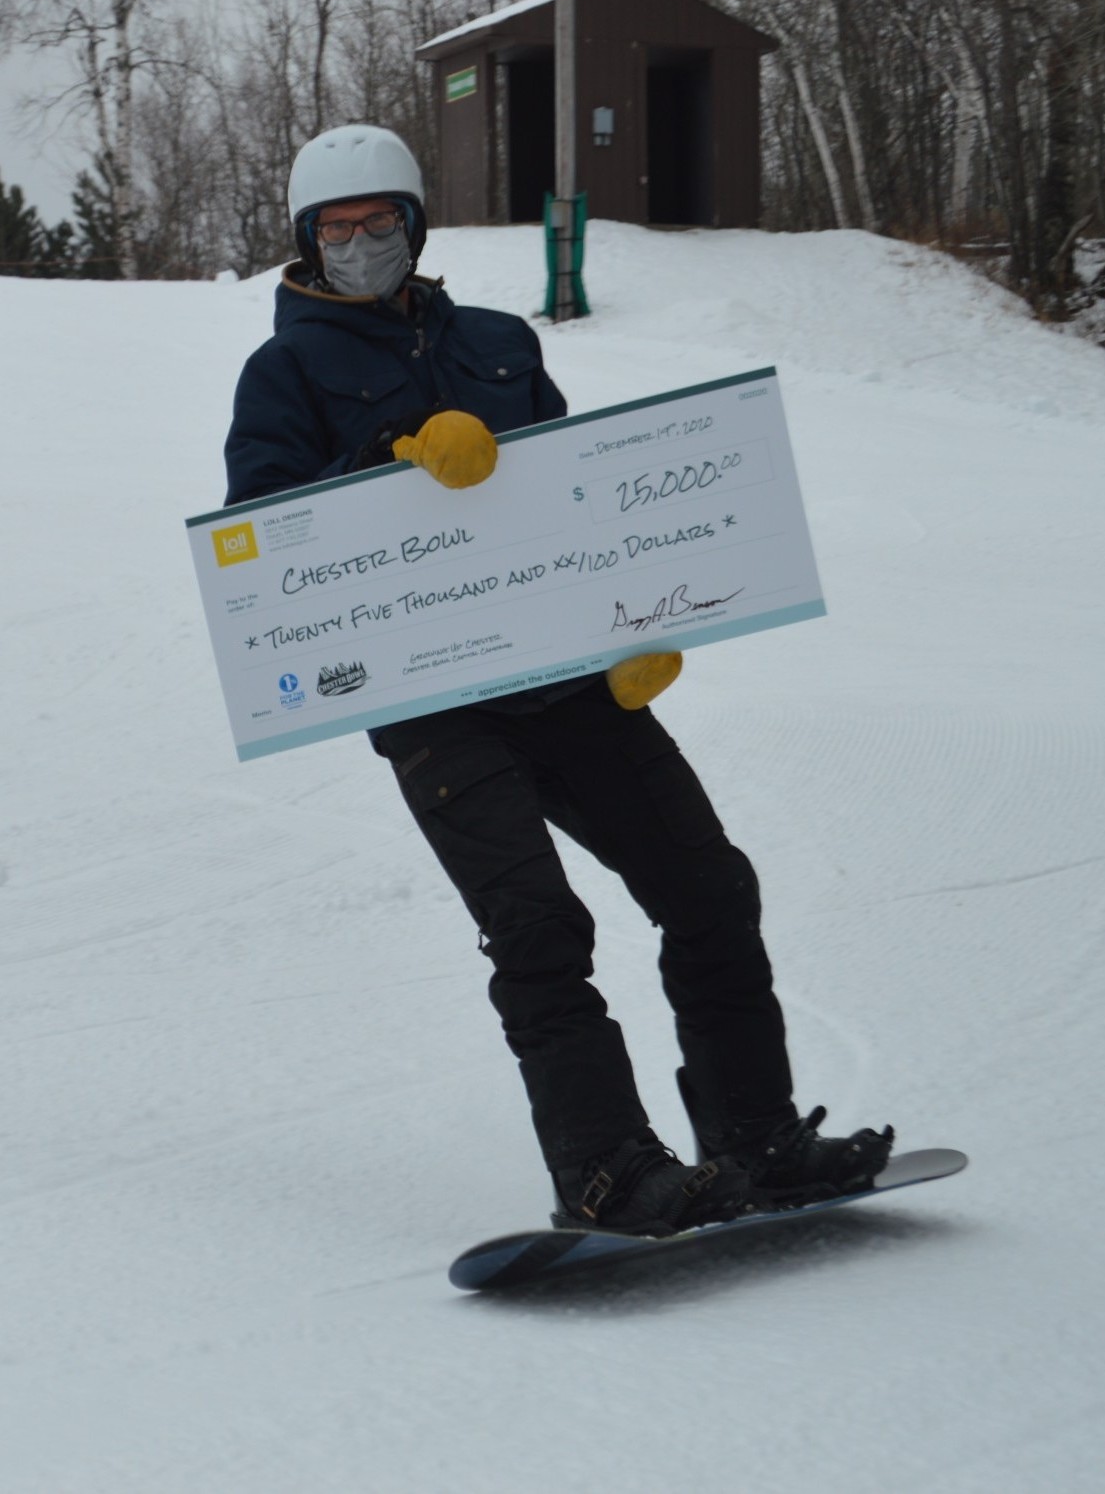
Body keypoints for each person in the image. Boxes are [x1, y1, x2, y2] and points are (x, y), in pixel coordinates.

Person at [225, 123, 893, 1235]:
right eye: (334, 230)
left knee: (709, 888)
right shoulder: (283, 372)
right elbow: (267, 551)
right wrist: (385, 468)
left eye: (377, 223)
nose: (358, 245)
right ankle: (605, 1169)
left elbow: (584, 498)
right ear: (306, 241)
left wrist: (629, 626)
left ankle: (756, 1136)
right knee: (538, 926)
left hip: (566, 682)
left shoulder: (495, 341)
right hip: (436, 708)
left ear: (413, 226)